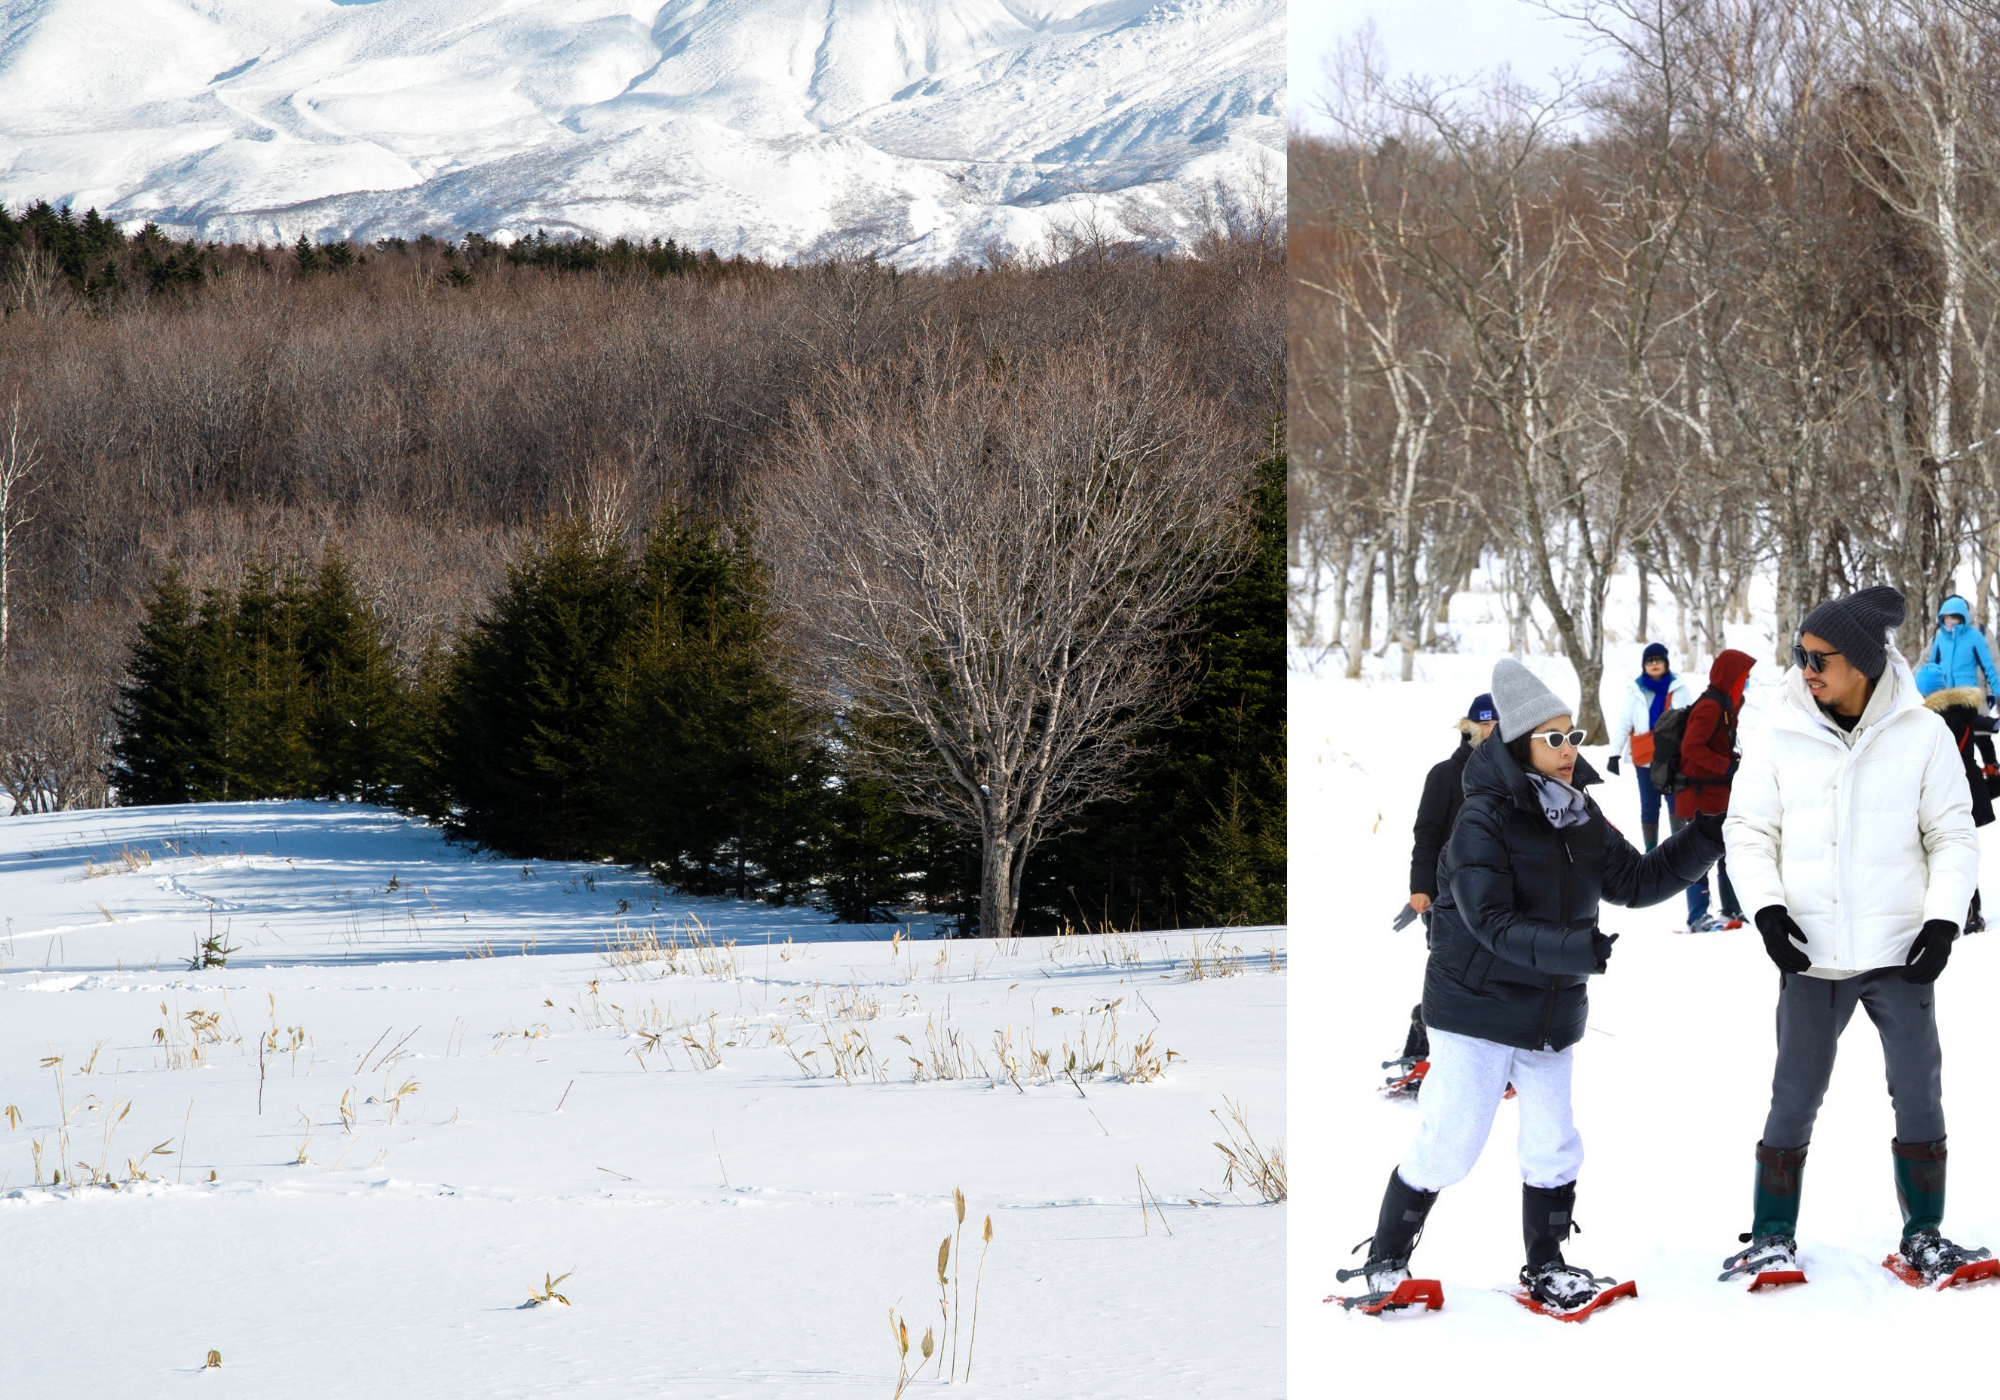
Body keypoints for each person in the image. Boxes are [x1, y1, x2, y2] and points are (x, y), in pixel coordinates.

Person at [1336, 659, 1723, 1315]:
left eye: (1573, 736)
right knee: (1450, 1143)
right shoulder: (1481, 820)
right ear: (1518, 744)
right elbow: (1490, 922)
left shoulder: (1579, 813)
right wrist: (1575, 949)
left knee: (1554, 1144)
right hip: (1474, 1010)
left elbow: (1634, 882)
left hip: (1551, 1012)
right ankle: (1385, 1260)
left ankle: (1546, 1265)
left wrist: (1708, 834)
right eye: (1554, 738)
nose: (1570, 751)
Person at [1721, 587, 1985, 1289]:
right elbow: (1749, 831)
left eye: (1820, 659)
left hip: (1901, 949)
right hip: (1811, 951)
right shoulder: (1778, 730)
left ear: (1863, 663)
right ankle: (1772, 1236)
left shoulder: (1922, 734)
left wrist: (1941, 919)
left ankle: (1924, 1234)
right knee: (1795, 1092)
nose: (1804, 670)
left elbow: (1952, 834)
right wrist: (1768, 911)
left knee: (1920, 1090)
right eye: (1800, 656)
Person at [1393, 693, 1499, 1067]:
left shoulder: (1515, 775)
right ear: (1467, 728)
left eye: (1496, 725)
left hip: (1499, 895)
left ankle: (1485, 1056)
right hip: (1447, 894)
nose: (1489, 732)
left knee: (1493, 973)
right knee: (1450, 973)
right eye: (1482, 724)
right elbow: (1426, 833)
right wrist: (1421, 887)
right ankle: (1420, 1050)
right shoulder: (1444, 775)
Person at [1673, 649, 1756, 933]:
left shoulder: (1725, 704)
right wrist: (1725, 766)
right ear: (1731, 676)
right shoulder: (1710, 706)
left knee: (1727, 851)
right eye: (1744, 677)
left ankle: (1731, 908)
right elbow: (1691, 748)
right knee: (1699, 857)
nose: (1747, 682)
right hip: (1698, 794)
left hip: (1716, 793)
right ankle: (1697, 915)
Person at [1914, 661, 1995, 933]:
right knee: (1959, 848)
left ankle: (1955, 911)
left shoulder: (1926, 720)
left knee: (1938, 850)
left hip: (1940, 791)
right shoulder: (1965, 711)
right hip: (1969, 788)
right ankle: (1972, 913)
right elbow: (1986, 727)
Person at [1606, 642, 1696, 851]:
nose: (1654, 664)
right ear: (1643, 665)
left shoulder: (1679, 688)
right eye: (1649, 661)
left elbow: (1691, 722)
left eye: (1658, 660)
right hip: (1645, 759)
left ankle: (1678, 851)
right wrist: (1614, 755)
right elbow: (1624, 723)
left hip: (1673, 759)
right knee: (1649, 806)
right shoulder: (1636, 690)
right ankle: (1651, 852)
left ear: (1666, 662)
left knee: (1676, 806)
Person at [1923, 594, 2000, 775]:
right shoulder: (1940, 636)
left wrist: (1995, 693)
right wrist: (1917, 686)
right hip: (1946, 695)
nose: (1950, 621)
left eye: (1954, 617)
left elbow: (1992, 664)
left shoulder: (1978, 633)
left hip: (1971, 694)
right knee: (1955, 736)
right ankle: (1958, 773)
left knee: (1978, 735)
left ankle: (1990, 770)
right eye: (1946, 617)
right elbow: (1929, 662)